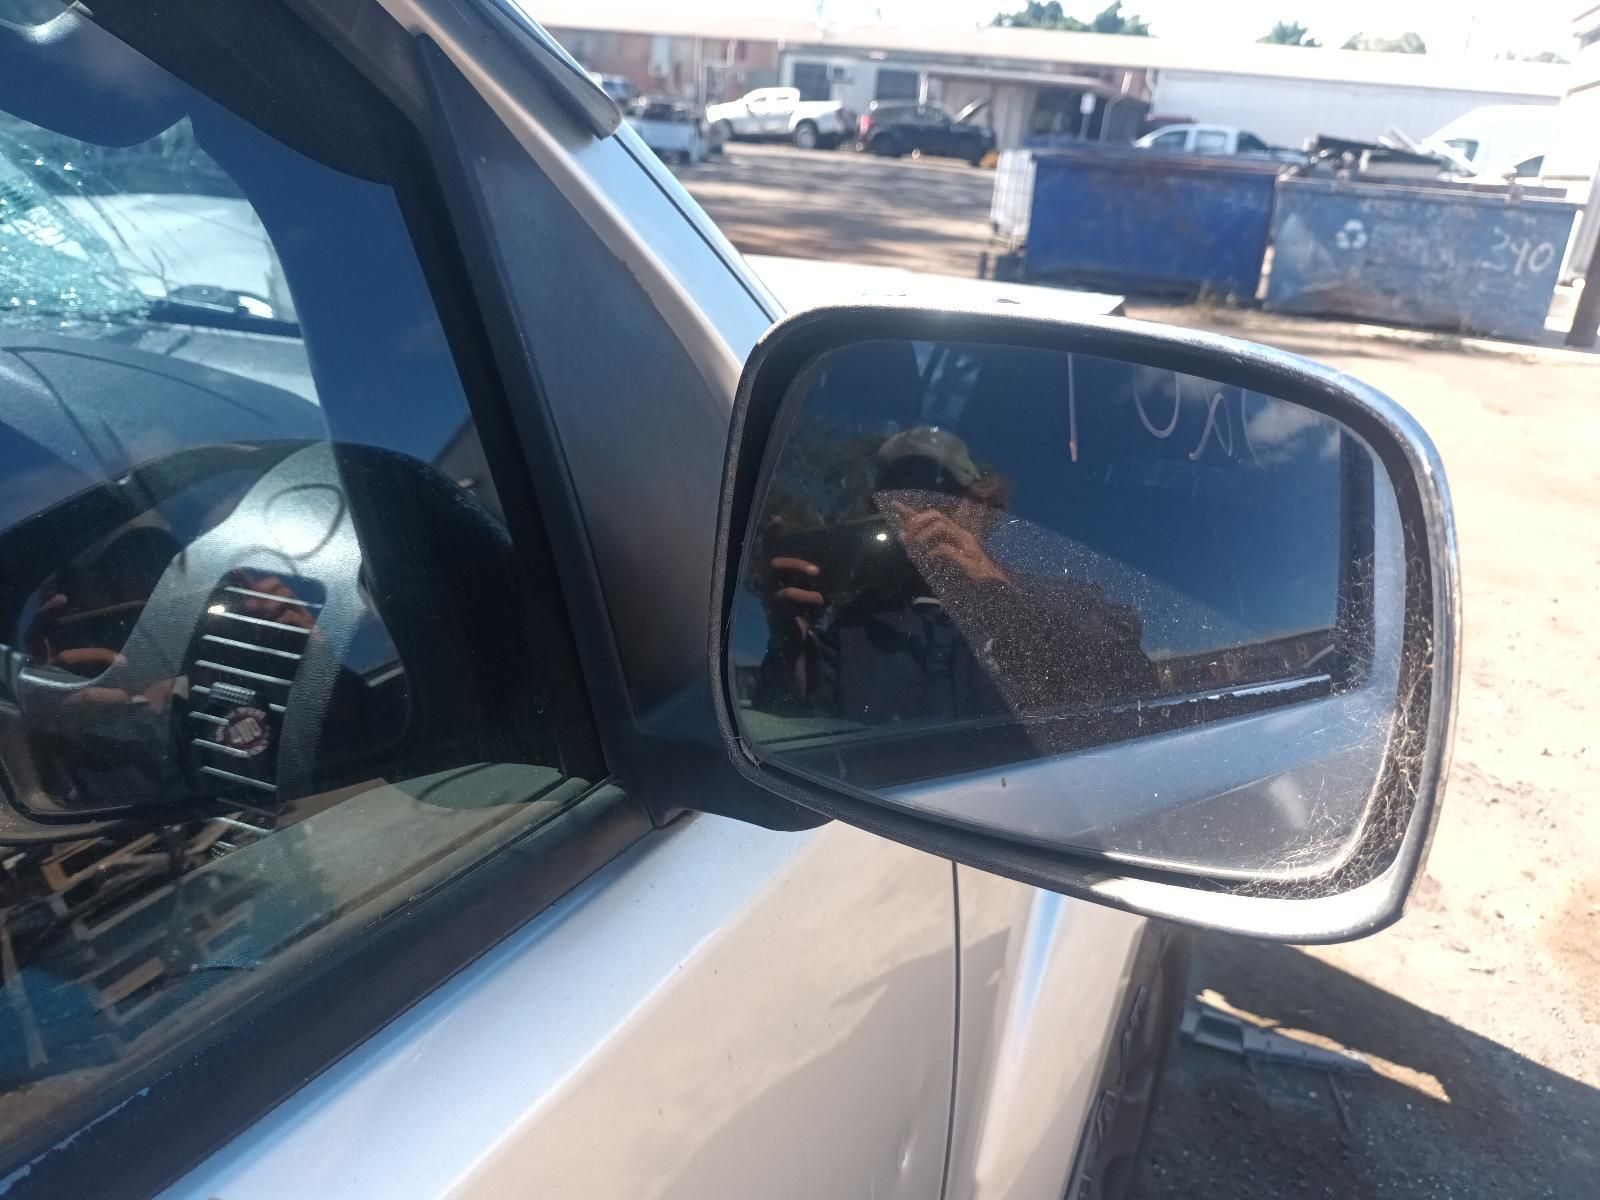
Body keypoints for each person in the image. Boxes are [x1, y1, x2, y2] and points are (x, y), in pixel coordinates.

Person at [754, 425, 1156, 729]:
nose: (918, 511)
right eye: (896, 497)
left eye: (938, 493)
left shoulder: (1060, 599)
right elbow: (789, 740)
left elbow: (1136, 694)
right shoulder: (851, 632)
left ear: (984, 507)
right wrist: (788, 645)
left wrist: (999, 596)